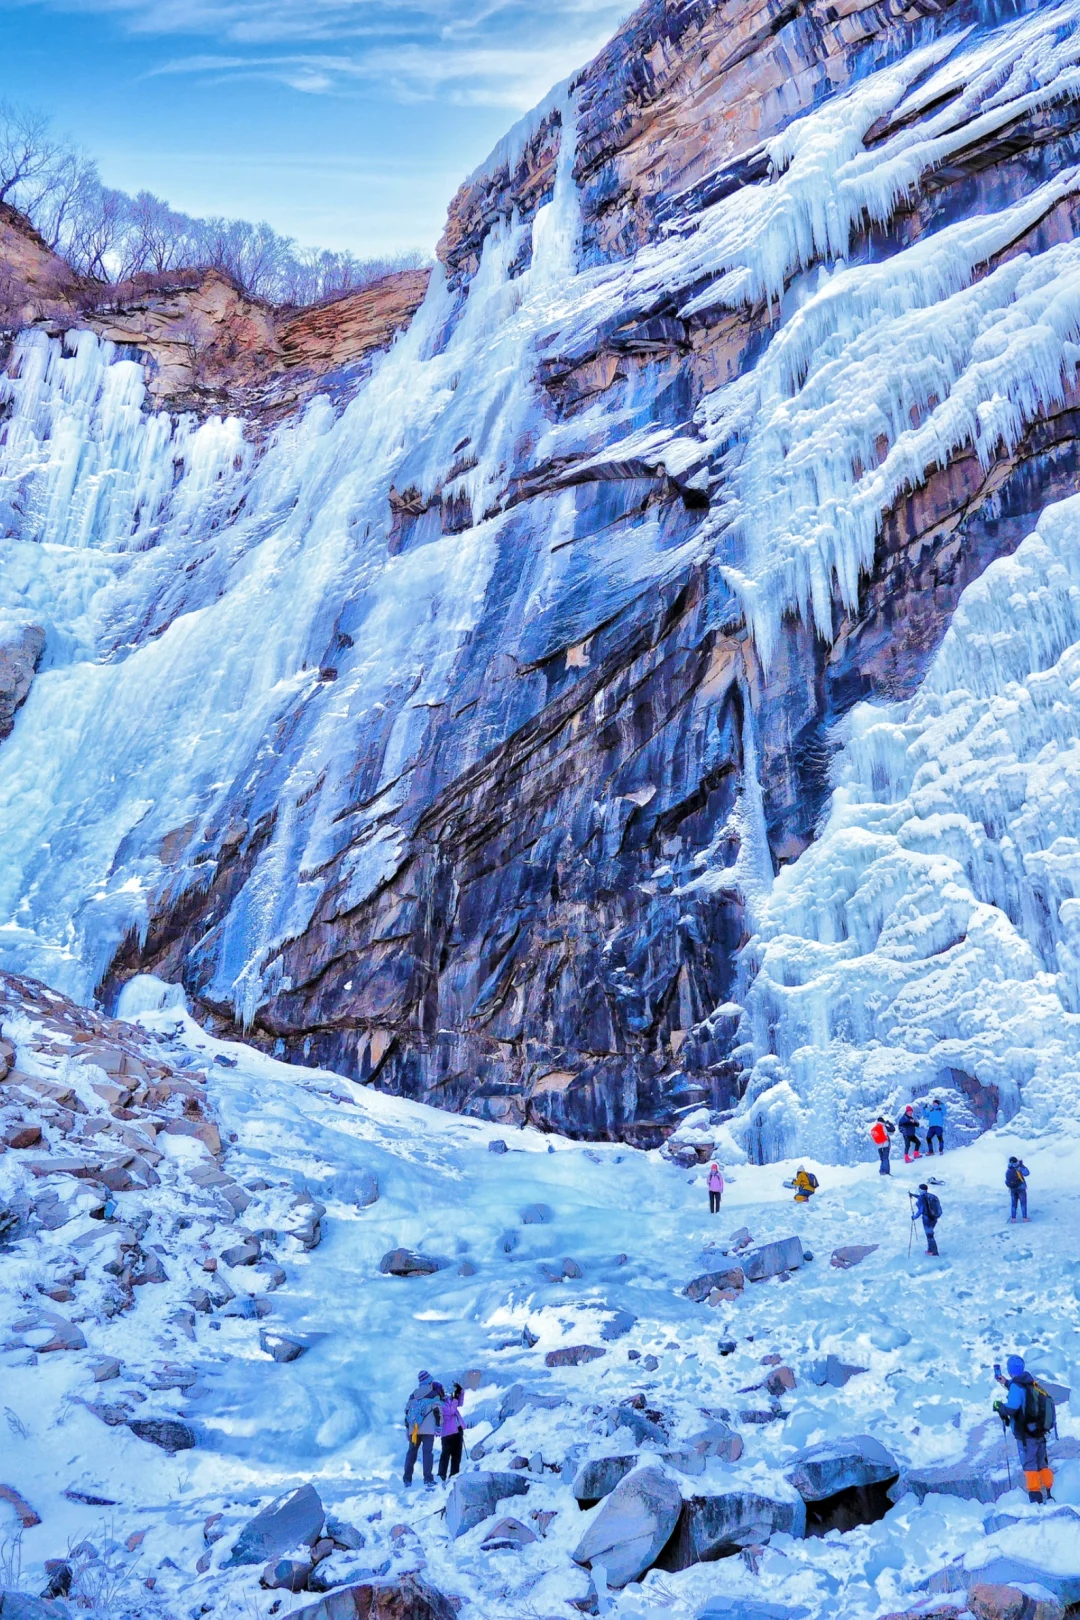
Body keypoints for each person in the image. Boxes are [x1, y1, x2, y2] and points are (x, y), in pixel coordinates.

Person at [994, 1355, 1055, 1503]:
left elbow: (1013, 1407)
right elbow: (1023, 1395)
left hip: (1026, 1434)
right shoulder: (1029, 1382)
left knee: (1029, 1464)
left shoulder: (1017, 1386)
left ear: (1009, 1370)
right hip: (1038, 1431)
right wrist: (1007, 1383)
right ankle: (1050, 1492)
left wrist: (999, 1407)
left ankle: (1035, 1498)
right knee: (1042, 1463)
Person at [403, 1370, 442, 1487]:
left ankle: (407, 1478)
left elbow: (407, 1412)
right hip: (428, 1430)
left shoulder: (413, 1394)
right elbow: (438, 1411)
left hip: (414, 1430)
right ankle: (428, 1479)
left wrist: (408, 1429)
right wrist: (438, 1426)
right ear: (429, 1381)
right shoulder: (434, 1393)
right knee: (427, 1453)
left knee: (411, 1452)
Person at [438, 1381, 465, 1480]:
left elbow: (459, 1403)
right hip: (447, 1433)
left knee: (456, 1455)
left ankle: (454, 1474)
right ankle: (441, 1475)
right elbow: (450, 1411)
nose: (443, 1391)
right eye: (441, 1390)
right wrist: (454, 1399)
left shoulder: (446, 1399)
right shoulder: (438, 1404)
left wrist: (459, 1392)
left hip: (457, 1430)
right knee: (445, 1455)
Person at [914, 1183, 941, 1255]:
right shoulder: (930, 1196)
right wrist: (913, 1195)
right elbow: (922, 1198)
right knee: (930, 1234)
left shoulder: (921, 1198)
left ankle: (934, 1252)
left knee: (929, 1235)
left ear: (920, 1189)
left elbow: (921, 1210)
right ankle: (930, 1250)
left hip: (926, 1219)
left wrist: (914, 1217)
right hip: (934, 1218)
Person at [1006, 1156, 1030, 1222]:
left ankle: (1013, 1218)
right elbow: (1027, 1173)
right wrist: (1021, 1165)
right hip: (1021, 1188)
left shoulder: (1008, 1169)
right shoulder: (1018, 1167)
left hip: (1012, 1189)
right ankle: (1024, 1218)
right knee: (1023, 1203)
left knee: (1013, 1204)